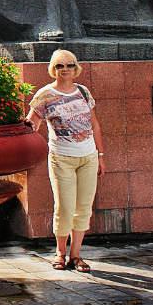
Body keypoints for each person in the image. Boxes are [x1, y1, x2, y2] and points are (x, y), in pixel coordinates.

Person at [27, 49, 106, 272]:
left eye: (69, 65)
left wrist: (100, 155)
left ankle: (76, 255)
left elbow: (94, 125)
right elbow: (32, 124)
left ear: (76, 67)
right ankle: (60, 253)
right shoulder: (45, 95)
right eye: (59, 66)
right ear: (53, 69)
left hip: (88, 157)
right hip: (61, 158)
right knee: (64, 208)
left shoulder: (83, 91)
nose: (65, 69)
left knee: (83, 208)